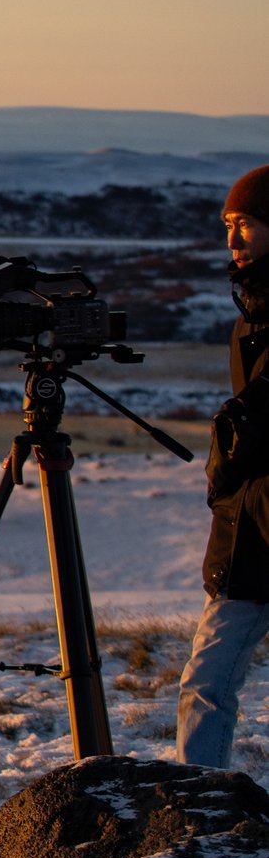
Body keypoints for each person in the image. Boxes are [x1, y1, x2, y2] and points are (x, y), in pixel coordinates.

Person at [175, 166, 269, 768]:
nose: (233, 238)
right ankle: (196, 815)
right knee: (204, 684)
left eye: (248, 224)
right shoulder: (250, 319)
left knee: (206, 685)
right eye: (228, 225)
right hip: (250, 538)